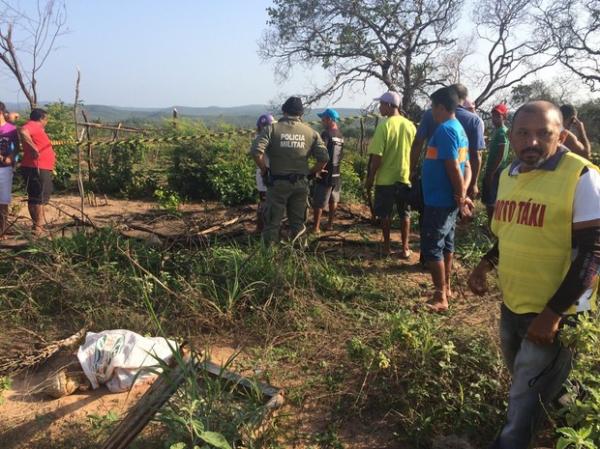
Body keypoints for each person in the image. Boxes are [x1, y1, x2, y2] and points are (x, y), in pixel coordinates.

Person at [468, 101, 600, 449]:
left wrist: (553, 314)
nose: (533, 142)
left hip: (556, 311)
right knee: (538, 382)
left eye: (544, 133)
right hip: (514, 303)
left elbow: (593, 252)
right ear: (511, 137)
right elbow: (510, 231)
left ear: (563, 135)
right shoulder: (509, 175)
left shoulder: (581, 176)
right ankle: (576, 422)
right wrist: (486, 264)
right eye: (524, 134)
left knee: (523, 397)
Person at [421, 87, 473, 312]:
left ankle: (440, 296)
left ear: (441, 107)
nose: (432, 111)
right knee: (447, 244)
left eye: (433, 106)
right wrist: (463, 194)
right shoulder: (459, 129)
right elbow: (467, 167)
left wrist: (462, 198)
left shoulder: (445, 130)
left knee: (433, 245)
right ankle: (447, 287)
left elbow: (453, 167)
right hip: (447, 199)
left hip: (440, 200)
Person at [251, 96, 328, 244]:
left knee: (272, 223)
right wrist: (310, 173)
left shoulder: (271, 129)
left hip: (277, 184)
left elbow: (256, 152)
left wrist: (264, 170)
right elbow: (324, 158)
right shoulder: (311, 132)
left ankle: (268, 259)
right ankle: (300, 259)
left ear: (284, 111)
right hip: (300, 184)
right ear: (301, 114)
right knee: (298, 224)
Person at [410, 83, 485, 198]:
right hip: (459, 184)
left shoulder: (438, 121)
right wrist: (470, 185)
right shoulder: (473, 121)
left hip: (438, 188)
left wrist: (411, 170)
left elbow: (418, 143)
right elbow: (475, 157)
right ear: (464, 98)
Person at [366, 91, 416, 257]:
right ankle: (405, 248)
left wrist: (371, 178)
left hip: (385, 180)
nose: (379, 108)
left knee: (385, 214)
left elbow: (377, 156)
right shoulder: (410, 126)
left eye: (381, 104)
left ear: (389, 105)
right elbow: (415, 152)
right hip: (404, 177)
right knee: (405, 214)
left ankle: (387, 247)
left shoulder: (384, 126)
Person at [19, 108, 56, 236]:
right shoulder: (33, 125)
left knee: (35, 197)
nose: (47, 122)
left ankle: (36, 226)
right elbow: (23, 131)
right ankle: (38, 228)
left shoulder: (37, 128)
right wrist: (33, 147)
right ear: (41, 118)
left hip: (35, 166)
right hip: (37, 167)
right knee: (39, 197)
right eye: (46, 119)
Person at [312, 108, 344, 234]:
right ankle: (330, 225)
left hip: (325, 172)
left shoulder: (326, 134)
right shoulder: (340, 135)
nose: (321, 121)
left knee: (319, 202)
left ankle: (316, 228)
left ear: (330, 119)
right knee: (333, 200)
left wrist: (318, 170)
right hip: (337, 172)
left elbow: (322, 153)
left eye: (323, 119)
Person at [481, 103, 510, 222]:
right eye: (493, 115)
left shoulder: (502, 132)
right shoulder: (497, 131)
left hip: (496, 171)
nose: (494, 118)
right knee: (491, 200)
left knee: (491, 201)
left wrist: (491, 172)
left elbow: (501, 154)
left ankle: (493, 228)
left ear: (504, 117)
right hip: (494, 170)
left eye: (498, 116)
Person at [253, 113, 276, 233]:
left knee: (268, 202)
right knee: (264, 202)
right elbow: (258, 155)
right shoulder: (261, 138)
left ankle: (264, 228)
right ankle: (260, 228)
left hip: (268, 173)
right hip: (264, 173)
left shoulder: (265, 137)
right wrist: (264, 170)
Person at [0, 102, 19, 238]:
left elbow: (16, 147)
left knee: (3, 201)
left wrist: (11, 158)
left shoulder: (11, 129)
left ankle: (2, 230)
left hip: (4, 169)